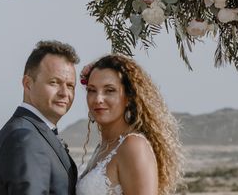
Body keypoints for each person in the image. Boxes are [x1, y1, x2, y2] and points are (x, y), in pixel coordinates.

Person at [76, 54, 182, 195]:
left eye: (109, 90)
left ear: (129, 98)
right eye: (92, 90)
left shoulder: (133, 146)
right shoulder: (104, 146)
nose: (98, 99)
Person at [0, 40, 80, 194]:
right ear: (28, 84)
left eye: (70, 85)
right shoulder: (25, 138)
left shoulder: (33, 131)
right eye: (54, 82)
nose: (64, 93)